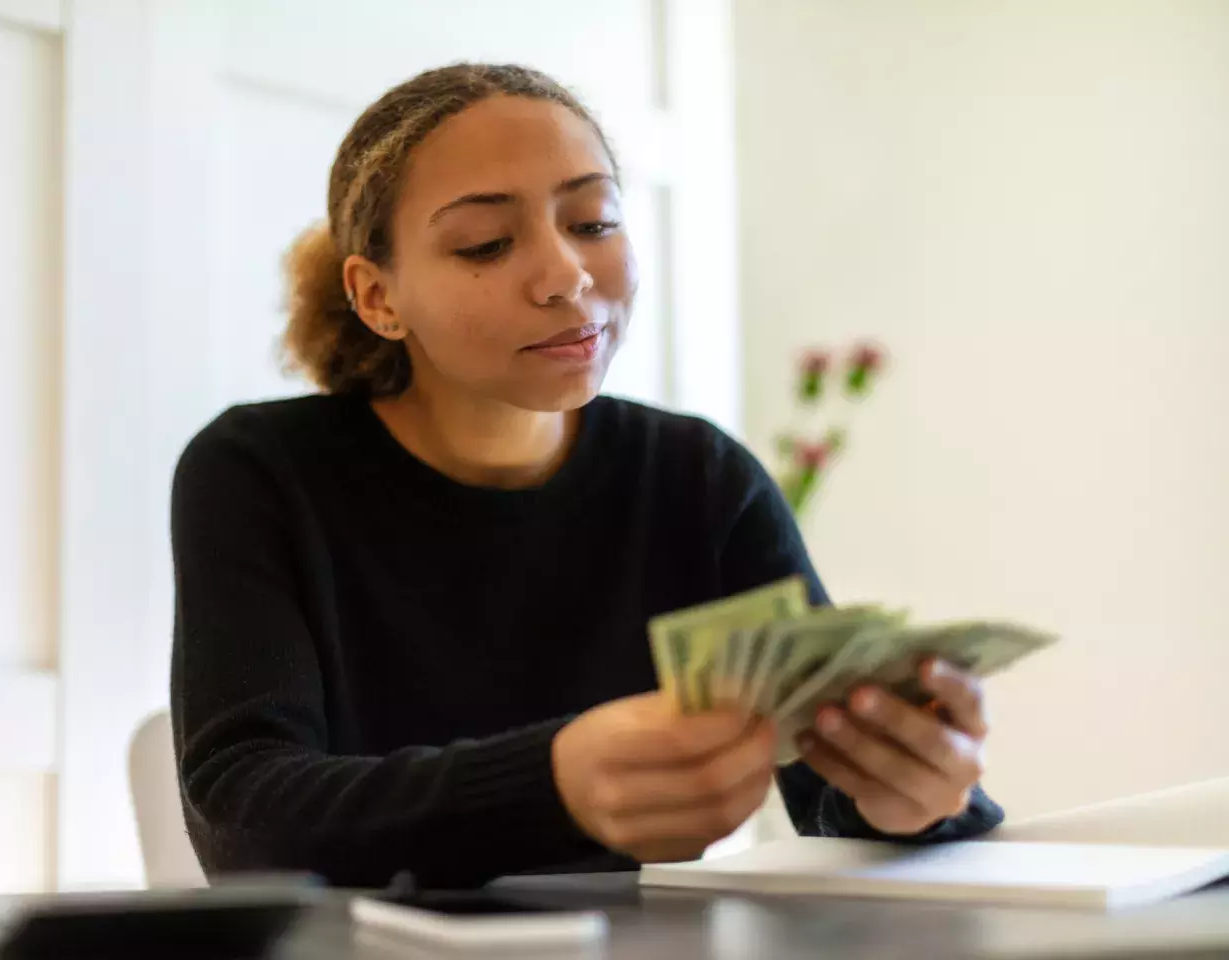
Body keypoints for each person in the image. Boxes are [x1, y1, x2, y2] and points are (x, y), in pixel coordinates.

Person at [169, 63, 1002, 889]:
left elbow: (830, 793)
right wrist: (554, 781)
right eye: (486, 244)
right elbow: (244, 821)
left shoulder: (696, 480)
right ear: (378, 296)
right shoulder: (260, 473)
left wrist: (915, 800)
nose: (566, 275)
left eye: (594, 222)